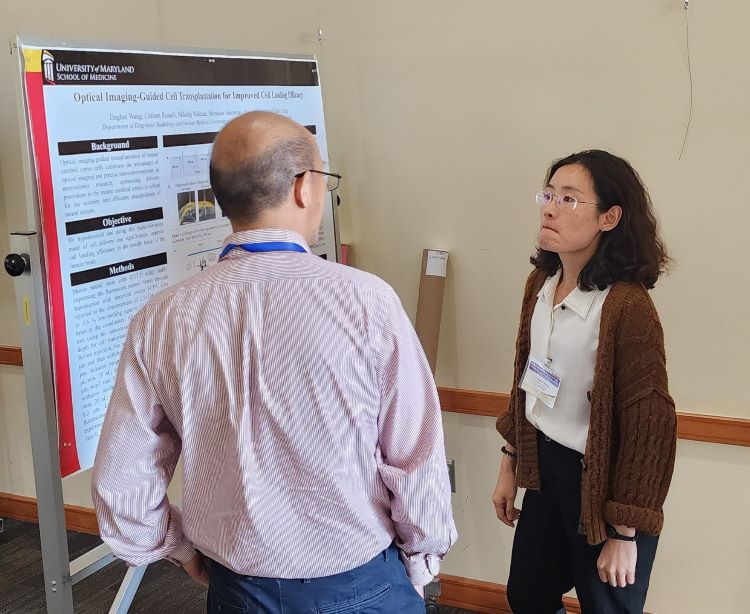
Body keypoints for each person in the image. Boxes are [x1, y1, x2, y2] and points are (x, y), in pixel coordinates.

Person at [92, 111, 457, 613]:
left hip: (237, 588)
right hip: (361, 585)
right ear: (304, 187)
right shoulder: (367, 302)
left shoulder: (160, 318)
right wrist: (422, 558)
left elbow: (122, 481)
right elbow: (413, 454)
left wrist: (176, 548)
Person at [492, 150, 677, 614]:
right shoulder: (541, 282)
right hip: (546, 470)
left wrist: (624, 532)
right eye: (549, 194)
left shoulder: (627, 308)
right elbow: (526, 381)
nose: (550, 207)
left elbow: (649, 424)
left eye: (569, 199)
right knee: (528, 595)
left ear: (610, 217)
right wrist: (510, 461)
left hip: (605, 483)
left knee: (607, 606)